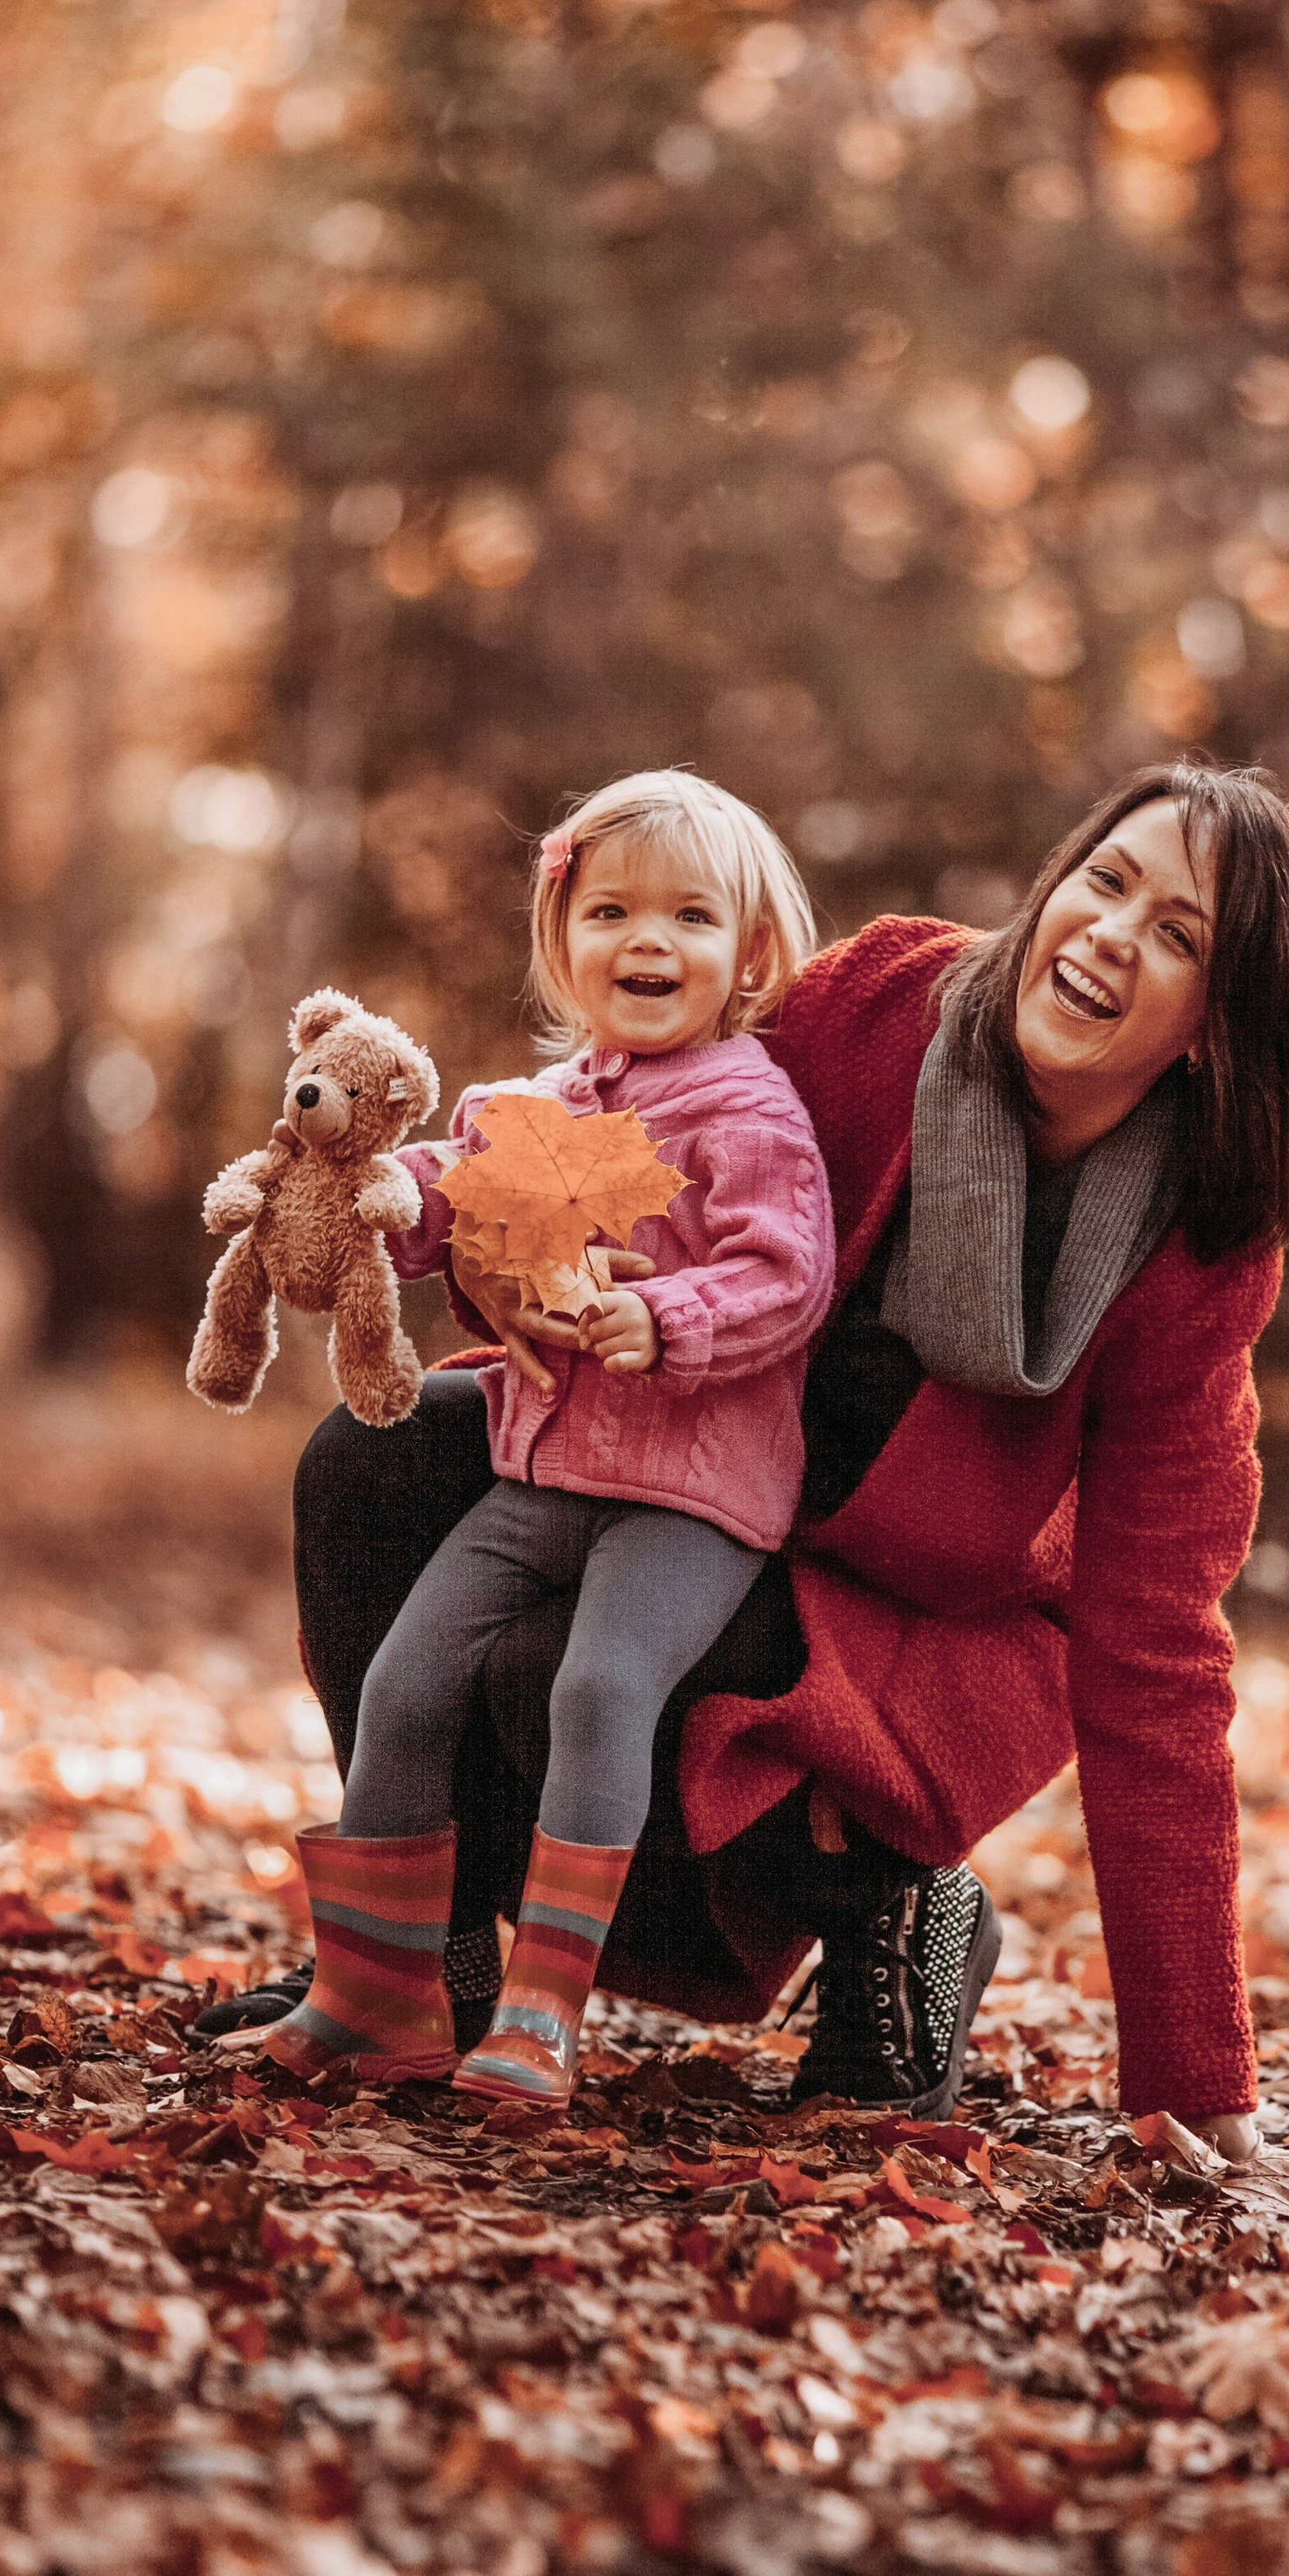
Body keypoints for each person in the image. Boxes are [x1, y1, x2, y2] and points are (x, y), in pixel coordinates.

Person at [209, 761, 1289, 2157]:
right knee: (371, 1467)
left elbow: (1161, 1646)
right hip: (673, 1455)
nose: (1113, 933)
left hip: (912, 1627)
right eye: (1106, 881)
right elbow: (628, 1132)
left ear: (1218, 1028)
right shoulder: (883, 1001)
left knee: (551, 1671)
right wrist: (504, 1264)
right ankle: (410, 1969)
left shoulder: (1194, 1253)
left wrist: (1196, 2074)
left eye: (1179, 934)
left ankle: (899, 1898)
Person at [257, 771, 835, 2109]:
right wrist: (371, 1199)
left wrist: (668, 1315)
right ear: (562, 937)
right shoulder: (528, 1107)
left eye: (691, 916)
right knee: (406, 1678)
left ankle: (544, 2010)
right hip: (550, 1465)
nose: (649, 940)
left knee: (598, 1686)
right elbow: (445, 1220)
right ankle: (375, 1990)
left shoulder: (750, 1116)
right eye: (614, 910)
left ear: (748, 953)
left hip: (695, 1494)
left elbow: (785, 1276)